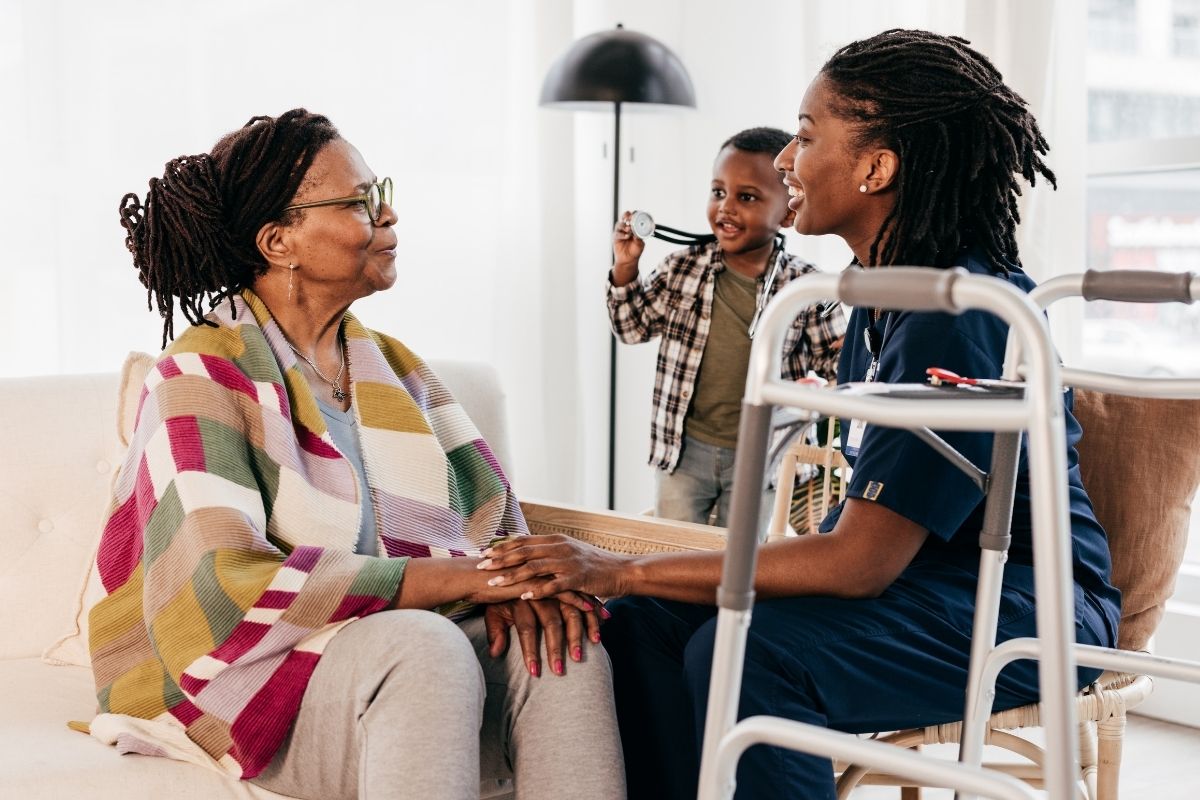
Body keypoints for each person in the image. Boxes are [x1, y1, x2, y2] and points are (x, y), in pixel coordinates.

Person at [479, 30, 1122, 800]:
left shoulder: (960, 313)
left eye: (807, 136)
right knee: (644, 624)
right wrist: (631, 585)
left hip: (1032, 609)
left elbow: (859, 561)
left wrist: (621, 568)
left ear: (877, 167)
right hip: (919, 589)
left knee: (744, 650)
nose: (786, 160)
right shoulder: (872, 297)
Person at [88, 109, 625, 800]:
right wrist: (462, 582)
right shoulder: (199, 378)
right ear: (280, 241)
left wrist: (520, 586)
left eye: (382, 192)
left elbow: (494, 529)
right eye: (360, 201)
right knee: (422, 648)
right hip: (246, 675)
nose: (389, 214)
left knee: (564, 646)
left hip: (379, 654)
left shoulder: (397, 372)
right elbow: (222, 587)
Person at [607, 126, 845, 527]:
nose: (726, 208)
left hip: (762, 455)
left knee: (739, 561)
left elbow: (839, 370)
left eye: (747, 197)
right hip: (683, 451)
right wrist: (625, 266)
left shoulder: (807, 288)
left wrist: (816, 397)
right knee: (676, 553)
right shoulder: (683, 267)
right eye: (718, 192)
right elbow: (632, 328)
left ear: (788, 212)